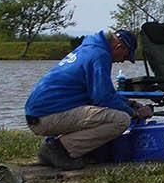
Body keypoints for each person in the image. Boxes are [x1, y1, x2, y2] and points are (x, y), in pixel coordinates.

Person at [24, 29, 152, 170]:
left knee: (110, 114)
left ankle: (65, 149)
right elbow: (102, 98)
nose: (122, 60)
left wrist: (131, 104)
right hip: (46, 116)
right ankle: (58, 150)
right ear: (119, 47)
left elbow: (106, 92)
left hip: (39, 114)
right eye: (126, 56)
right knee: (121, 120)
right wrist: (135, 113)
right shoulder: (100, 55)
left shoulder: (89, 49)